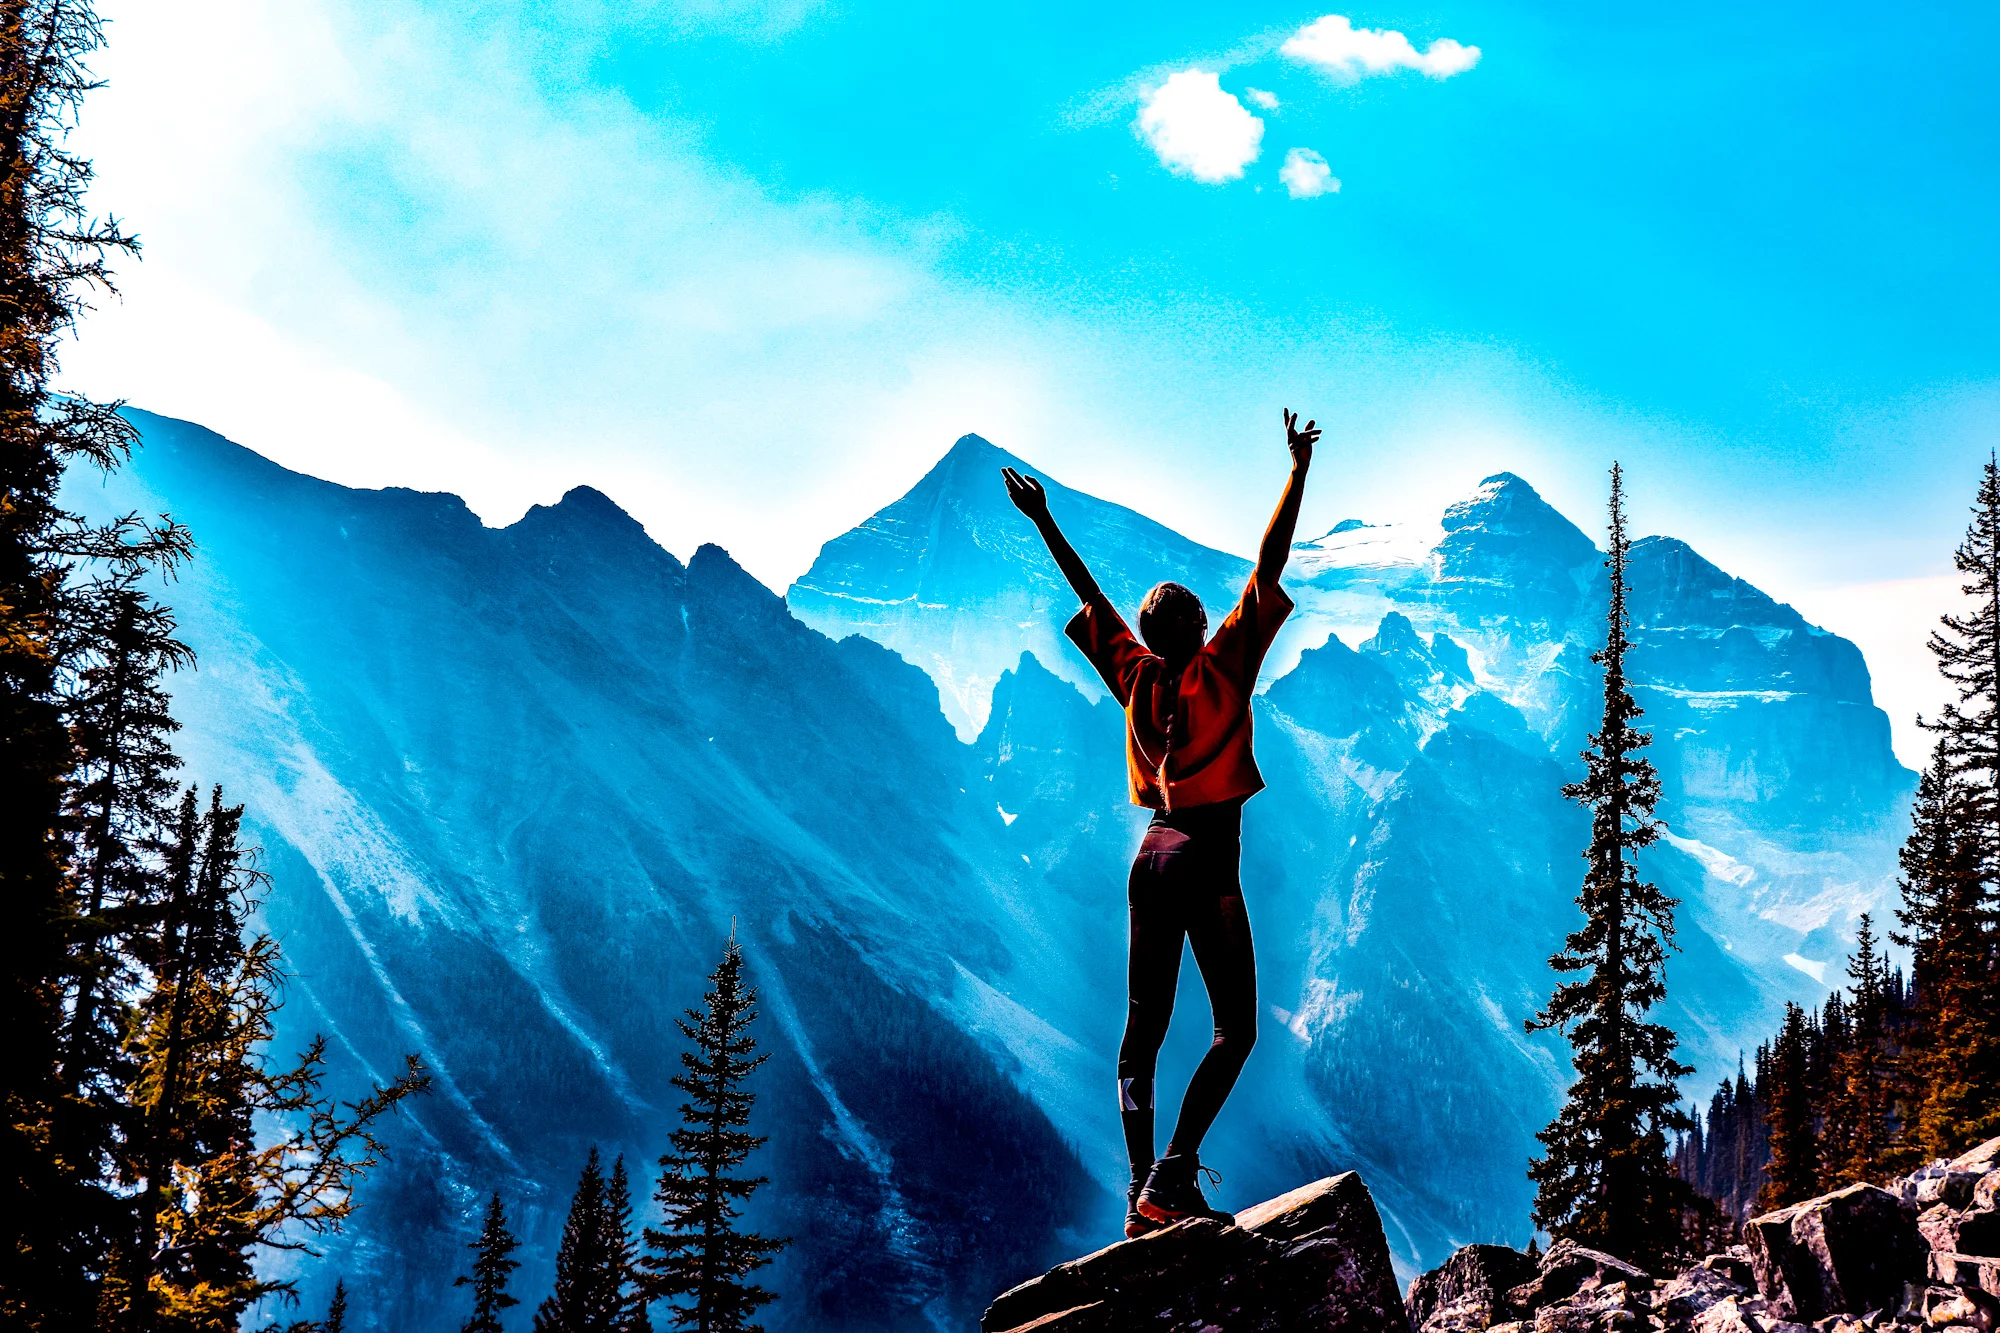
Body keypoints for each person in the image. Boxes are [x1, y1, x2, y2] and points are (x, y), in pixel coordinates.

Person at [1001, 408, 1320, 1237]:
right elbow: (1271, 558)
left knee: (1141, 1032)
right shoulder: (1223, 668)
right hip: (1207, 857)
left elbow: (1090, 594)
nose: (1210, 615)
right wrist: (1296, 470)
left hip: (1149, 859)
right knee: (1235, 1029)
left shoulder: (1135, 676)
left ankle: (1139, 1197)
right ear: (1193, 629)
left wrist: (1044, 520)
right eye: (1198, 612)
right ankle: (1173, 1175)